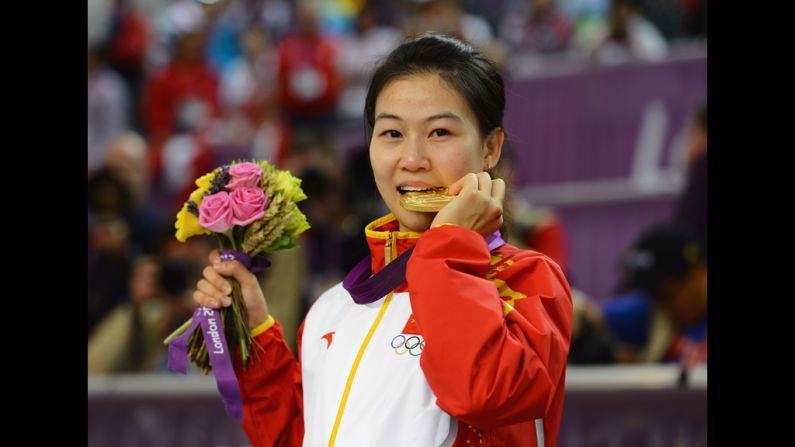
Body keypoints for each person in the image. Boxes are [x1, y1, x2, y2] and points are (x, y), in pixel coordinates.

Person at [191, 34, 573, 446]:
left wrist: (449, 243)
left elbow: (483, 393)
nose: (412, 159)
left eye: (440, 132)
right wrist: (258, 341)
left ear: (491, 148)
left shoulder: (526, 282)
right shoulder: (334, 305)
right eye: (391, 134)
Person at [601, 222, 707, 365]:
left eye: (665, 295)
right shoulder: (649, 310)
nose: (660, 307)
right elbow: (586, 314)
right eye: (652, 296)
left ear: (697, 275)